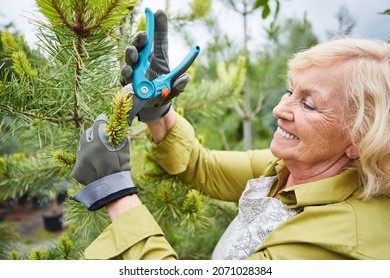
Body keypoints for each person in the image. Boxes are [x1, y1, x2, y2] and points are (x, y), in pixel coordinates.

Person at [70, 9, 390, 260]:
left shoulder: (337, 240)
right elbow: (202, 167)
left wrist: (114, 193)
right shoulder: (286, 170)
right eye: (289, 91)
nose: (280, 110)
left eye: (308, 104)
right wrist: (157, 112)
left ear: (360, 140)